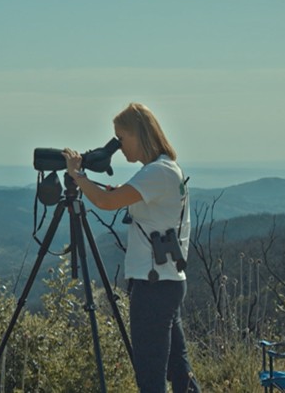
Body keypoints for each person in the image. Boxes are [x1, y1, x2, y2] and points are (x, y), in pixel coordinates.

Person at [62, 102, 201, 393]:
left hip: (154, 287)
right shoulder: (164, 170)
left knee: (151, 376)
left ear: (139, 134)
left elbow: (106, 202)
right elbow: (118, 197)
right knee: (179, 371)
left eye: (121, 138)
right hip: (166, 283)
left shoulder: (158, 172)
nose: (119, 147)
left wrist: (77, 175)